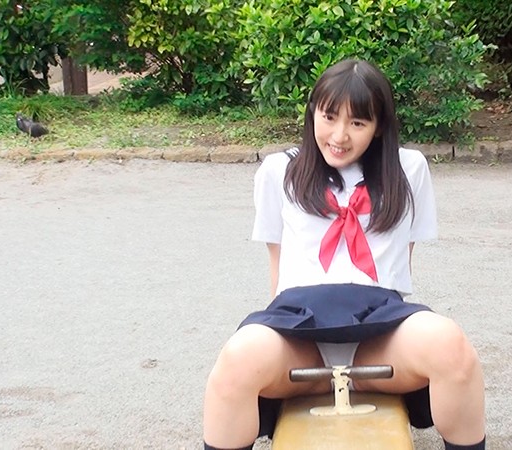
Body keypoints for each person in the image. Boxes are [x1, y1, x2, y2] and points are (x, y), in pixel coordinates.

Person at [203, 59, 485, 450]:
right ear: (312, 113)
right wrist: (274, 333)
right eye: (329, 117)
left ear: (379, 126)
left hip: (380, 331)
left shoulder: (409, 168)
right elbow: (277, 264)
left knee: (451, 346)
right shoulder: (278, 170)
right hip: (299, 333)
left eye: (358, 122)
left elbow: (402, 263)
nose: (339, 135)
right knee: (236, 358)